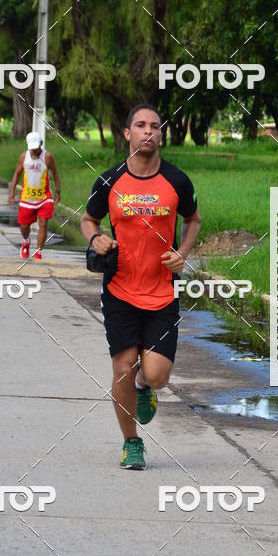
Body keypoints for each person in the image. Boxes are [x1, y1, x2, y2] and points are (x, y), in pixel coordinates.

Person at [81, 104, 201, 471]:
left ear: (161, 135)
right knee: (123, 367)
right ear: (127, 133)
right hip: (119, 290)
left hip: (162, 292)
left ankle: (145, 388)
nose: (148, 131)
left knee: (156, 375)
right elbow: (89, 219)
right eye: (140, 125)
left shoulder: (176, 181)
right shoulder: (109, 180)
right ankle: (131, 443)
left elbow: (193, 220)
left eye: (154, 126)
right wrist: (96, 239)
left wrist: (181, 253)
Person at [8, 131, 61, 260]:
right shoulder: (23, 157)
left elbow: (55, 173)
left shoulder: (47, 157)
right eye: (31, 148)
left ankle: (38, 252)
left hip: (44, 198)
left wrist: (58, 191)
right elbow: (17, 173)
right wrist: (12, 192)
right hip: (27, 198)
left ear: (41, 144)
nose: (34, 151)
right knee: (24, 226)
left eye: (36, 147)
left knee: (43, 222)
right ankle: (26, 241)